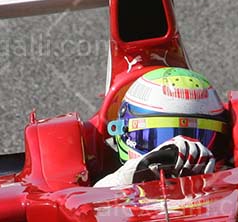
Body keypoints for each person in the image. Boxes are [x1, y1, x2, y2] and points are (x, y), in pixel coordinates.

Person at [96, 67, 229, 188]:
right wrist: (132, 174)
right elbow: (88, 200)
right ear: (124, 131)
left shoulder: (235, 183)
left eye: (198, 136)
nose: (181, 156)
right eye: (159, 137)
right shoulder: (109, 185)